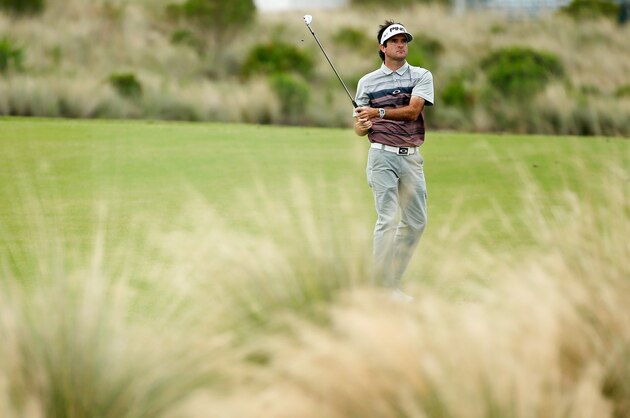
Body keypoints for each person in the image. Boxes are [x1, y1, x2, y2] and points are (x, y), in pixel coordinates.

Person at [353, 20, 434, 301]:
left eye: (404, 41)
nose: (401, 45)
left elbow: (413, 112)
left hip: (411, 158)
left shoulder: (422, 76)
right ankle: (382, 287)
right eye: (395, 41)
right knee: (387, 219)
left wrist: (378, 114)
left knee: (416, 222)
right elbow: (359, 126)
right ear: (383, 47)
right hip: (381, 156)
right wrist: (363, 125)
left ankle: (391, 280)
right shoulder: (367, 82)